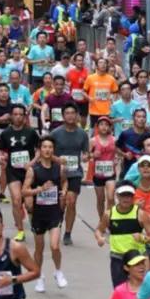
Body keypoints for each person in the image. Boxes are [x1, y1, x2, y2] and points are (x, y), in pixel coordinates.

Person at [23, 138, 68, 292]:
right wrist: (39, 190)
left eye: (50, 147)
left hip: (54, 211)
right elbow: (24, 191)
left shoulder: (59, 168)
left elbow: (64, 182)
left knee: (55, 246)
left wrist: (64, 191)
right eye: (44, 147)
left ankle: (58, 271)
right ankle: (39, 276)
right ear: (39, 150)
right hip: (39, 213)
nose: (47, 150)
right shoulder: (33, 170)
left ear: (53, 150)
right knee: (39, 248)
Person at [96, 182, 150, 287]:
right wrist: (99, 238)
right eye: (123, 195)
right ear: (117, 196)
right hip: (118, 258)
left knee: (140, 291)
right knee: (119, 289)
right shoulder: (109, 214)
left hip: (138, 258)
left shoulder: (140, 214)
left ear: (133, 197)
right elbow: (99, 230)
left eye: (129, 195)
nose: (126, 199)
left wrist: (142, 238)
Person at [48, 104, 90, 247]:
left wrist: (86, 157)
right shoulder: (55, 133)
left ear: (77, 115)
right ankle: (56, 225)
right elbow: (47, 152)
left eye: (73, 113)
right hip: (58, 173)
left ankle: (68, 233)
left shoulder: (82, 134)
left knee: (71, 202)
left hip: (75, 173)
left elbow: (86, 153)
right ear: (63, 115)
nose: (70, 116)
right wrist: (57, 160)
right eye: (67, 113)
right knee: (61, 202)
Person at [0, 103, 38, 241]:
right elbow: (1, 151)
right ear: (11, 116)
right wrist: (0, 158)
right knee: (16, 200)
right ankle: (20, 231)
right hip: (12, 170)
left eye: (21, 114)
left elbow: (39, 150)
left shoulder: (31, 132)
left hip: (28, 172)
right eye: (15, 114)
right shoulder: (6, 133)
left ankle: (33, 219)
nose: (18, 117)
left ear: (25, 116)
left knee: (30, 205)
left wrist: (32, 163)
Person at [89, 116, 119, 220]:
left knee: (110, 197)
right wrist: (92, 155)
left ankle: (111, 218)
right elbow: (84, 157)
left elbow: (119, 154)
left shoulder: (114, 140)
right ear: (97, 127)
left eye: (106, 125)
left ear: (110, 127)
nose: (104, 127)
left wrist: (116, 159)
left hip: (110, 174)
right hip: (98, 175)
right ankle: (102, 219)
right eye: (101, 124)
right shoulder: (93, 141)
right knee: (100, 199)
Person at [85, 57, 120, 128]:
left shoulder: (111, 79)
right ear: (96, 66)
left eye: (105, 63)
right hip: (94, 110)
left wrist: (113, 101)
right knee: (94, 132)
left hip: (107, 110)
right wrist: (89, 98)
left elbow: (115, 92)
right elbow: (83, 92)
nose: (103, 65)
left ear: (107, 65)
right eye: (100, 63)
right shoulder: (90, 78)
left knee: (106, 130)